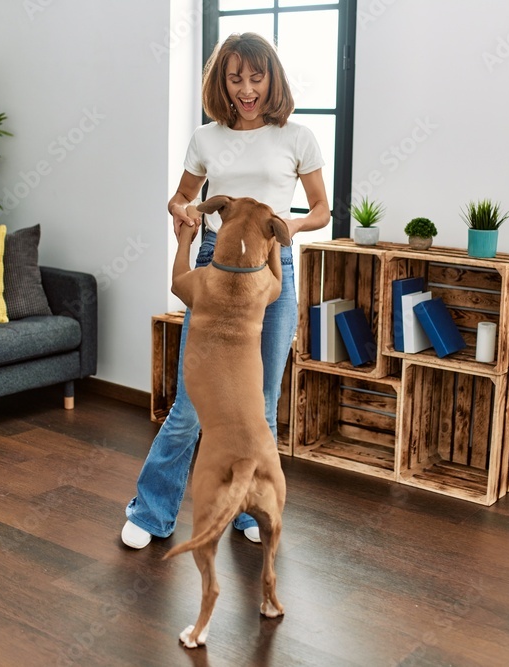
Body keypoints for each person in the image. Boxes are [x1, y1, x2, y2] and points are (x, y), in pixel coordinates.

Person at [122, 32, 330, 549]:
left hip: (272, 267)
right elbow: (181, 198)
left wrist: (292, 228)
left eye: (256, 78)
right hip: (215, 268)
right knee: (192, 402)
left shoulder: (298, 138)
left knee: (262, 402)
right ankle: (150, 513)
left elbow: (323, 210)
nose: (246, 89)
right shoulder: (206, 138)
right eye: (235, 78)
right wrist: (183, 213)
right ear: (222, 81)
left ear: (271, 78)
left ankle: (246, 508)